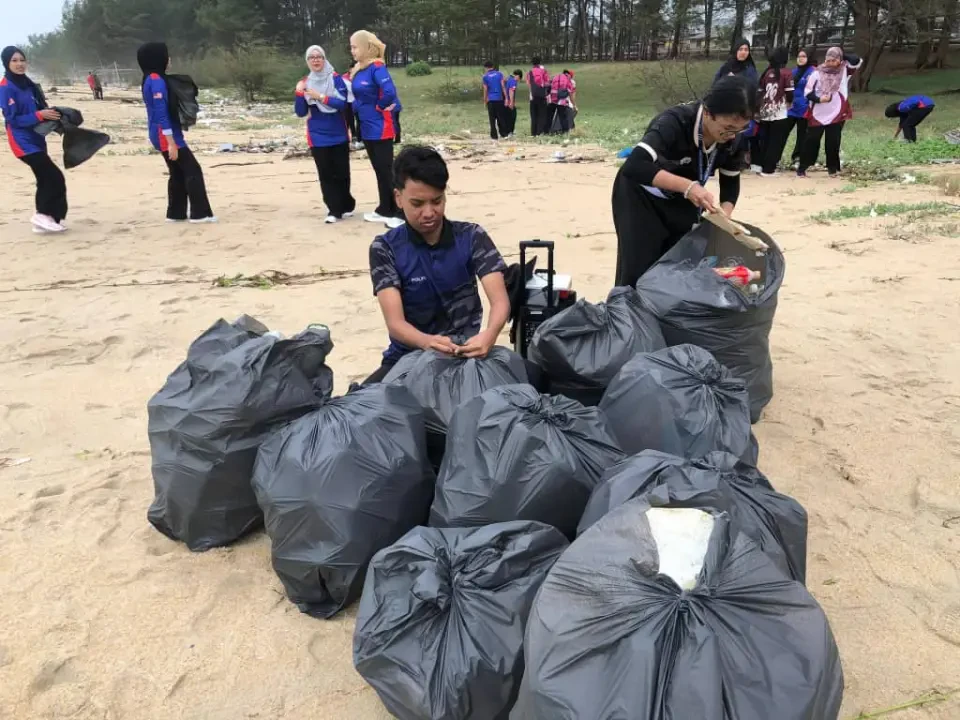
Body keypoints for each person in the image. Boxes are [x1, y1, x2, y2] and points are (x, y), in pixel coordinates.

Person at [364, 146, 512, 383]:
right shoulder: (385, 248)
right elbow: (396, 324)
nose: (429, 212)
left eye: (437, 201)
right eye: (417, 203)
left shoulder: (472, 236)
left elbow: (500, 300)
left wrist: (490, 335)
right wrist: (426, 342)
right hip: (408, 358)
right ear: (398, 198)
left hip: (465, 354)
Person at [612, 75, 755, 287]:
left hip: (683, 197)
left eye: (740, 129)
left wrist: (723, 217)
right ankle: (629, 315)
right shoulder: (675, 122)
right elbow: (635, 165)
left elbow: (731, 184)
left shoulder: (733, 140)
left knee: (681, 261)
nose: (733, 136)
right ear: (708, 112)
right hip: (641, 195)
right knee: (639, 268)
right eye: (727, 128)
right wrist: (688, 187)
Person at [137, 42, 215, 223]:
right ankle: (200, 214)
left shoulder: (151, 78)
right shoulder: (156, 80)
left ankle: (176, 213)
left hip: (162, 133)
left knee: (178, 172)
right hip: (166, 134)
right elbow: (161, 112)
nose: (169, 59)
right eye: (166, 55)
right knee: (192, 170)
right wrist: (171, 142)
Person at [1, 46, 68, 233]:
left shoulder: (29, 84)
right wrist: (39, 115)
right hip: (21, 142)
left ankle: (48, 220)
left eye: (22, 60)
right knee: (53, 176)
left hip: (37, 138)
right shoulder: (6, 87)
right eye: (14, 60)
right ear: (6, 63)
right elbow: (13, 119)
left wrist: (55, 117)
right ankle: (42, 215)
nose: (19, 64)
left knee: (45, 178)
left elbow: (40, 109)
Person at [295, 45, 356, 224]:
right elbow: (300, 112)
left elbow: (343, 104)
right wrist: (300, 93)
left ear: (324, 59)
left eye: (319, 56)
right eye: (311, 57)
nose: (315, 60)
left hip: (338, 133)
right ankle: (333, 209)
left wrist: (320, 96)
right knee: (326, 174)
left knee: (343, 173)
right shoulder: (305, 82)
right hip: (317, 135)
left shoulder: (336, 79)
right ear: (307, 61)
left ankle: (346, 204)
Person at [350, 30, 404, 229]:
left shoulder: (377, 68)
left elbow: (389, 92)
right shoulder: (359, 69)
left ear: (366, 47)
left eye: (355, 47)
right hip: (366, 126)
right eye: (352, 47)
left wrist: (380, 107)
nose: (352, 51)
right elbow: (358, 95)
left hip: (381, 126)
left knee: (387, 170)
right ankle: (385, 208)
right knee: (379, 170)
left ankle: (400, 212)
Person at [797, 47, 862, 179]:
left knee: (833, 141)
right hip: (818, 113)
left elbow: (856, 60)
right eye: (828, 60)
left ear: (840, 60)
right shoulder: (816, 73)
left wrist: (842, 54)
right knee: (812, 140)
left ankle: (833, 169)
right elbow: (808, 93)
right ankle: (803, 167)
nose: (831, 63)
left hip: (837, 112)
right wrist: (819, 99)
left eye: (834, 60)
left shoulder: (844, 71)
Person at [714, 39, 760, 171]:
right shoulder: (726, 67)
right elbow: (716, 84)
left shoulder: (750, 69)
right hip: (723, 106)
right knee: (721, 133)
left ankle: (736, 162)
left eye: (746, 50)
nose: (743, 52)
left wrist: (736, 81)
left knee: (738, 135)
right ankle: (717, 160)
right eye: (741, 49)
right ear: (735, 51)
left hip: (740, 108)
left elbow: (753, 88)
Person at [757, 47, 794, 176]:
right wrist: (789, 102)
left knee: (765, 140)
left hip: (765, 111)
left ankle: (762, 166)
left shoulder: (767, 72)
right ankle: (769, 169)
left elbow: (760, 91)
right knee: (776, 141)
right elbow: (789, 92)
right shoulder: (786, 73)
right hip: (779, 112)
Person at [786, 48, 817, 167]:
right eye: (799, 56)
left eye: (804, 56)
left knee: (802, 135)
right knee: (782, 133)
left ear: (808, 58)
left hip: (805, 109)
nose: (801, 58)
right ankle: (774, 158)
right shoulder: (792, 72)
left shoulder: (814, 72)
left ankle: (798, 158)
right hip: (791, 108)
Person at [526, 57, 551, 137]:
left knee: (533, 114)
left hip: (533, 95)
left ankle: (533, 133)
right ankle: (539, 132)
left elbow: (529, 84)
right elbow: (547, 83)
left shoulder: (529, 72)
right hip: (541, 95)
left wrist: (531, 94)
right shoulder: (543, 71)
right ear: (540, 63)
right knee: (542, 114)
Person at [482, 61, 507, 140]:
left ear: (486, 68)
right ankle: (503, 133)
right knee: (501, 117)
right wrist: (506, 97)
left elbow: (485, 89)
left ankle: (494, 135)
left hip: (491, 100)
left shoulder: (485, 77)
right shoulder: (499, 74)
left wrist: (485, 99)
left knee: (492, 119)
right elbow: (503, 86)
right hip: (499, 99)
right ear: (493, 66)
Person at [549, 69, 577, 134]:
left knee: (551, 116)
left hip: (552, 100)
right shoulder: (569, 81)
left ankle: (549, 130)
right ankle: (565, 132)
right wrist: (574, 105)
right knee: (563, 117)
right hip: (562, 102)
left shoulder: (556, 77)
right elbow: (571, 94)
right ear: (569, 75)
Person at [504, 70, 521, 137]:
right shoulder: (513, 81)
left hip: (504, 101)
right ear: (518, 76)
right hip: (509, 102)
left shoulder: (508, 79)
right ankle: (510, 132)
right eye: (519, 79)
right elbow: (511, 91)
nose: (518, 80)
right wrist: (511, 102)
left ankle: (506, 131)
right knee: (512, 117)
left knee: (506, 117)